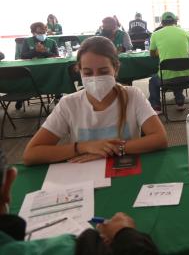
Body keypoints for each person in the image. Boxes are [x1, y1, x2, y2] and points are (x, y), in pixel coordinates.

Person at [23, 36, 167, 166]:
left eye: (103, 72)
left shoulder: (132, 95)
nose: (95, 78)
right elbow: (31, 154)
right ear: (79, 70)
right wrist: (83, 147)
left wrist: (110, 149)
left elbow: (160, 139)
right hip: (84, 175)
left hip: (124, 169)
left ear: (115, 69)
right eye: (87, 73)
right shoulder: (69, 104)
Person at [0, 149, 160, 255]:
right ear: (9, 181)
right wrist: (124, 233)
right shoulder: (67, 249)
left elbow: (159, 138)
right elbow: (30, 154)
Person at [148, 12, 189, 113]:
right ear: (175, 21)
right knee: (177, 72)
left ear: (161, 22)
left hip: (167, 78)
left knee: (153, 81)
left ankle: (156, 106)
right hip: (186, 76)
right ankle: (179, 101)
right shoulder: (186, 32)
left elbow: (152, 54)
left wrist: (161, 51)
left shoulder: (155, 34)